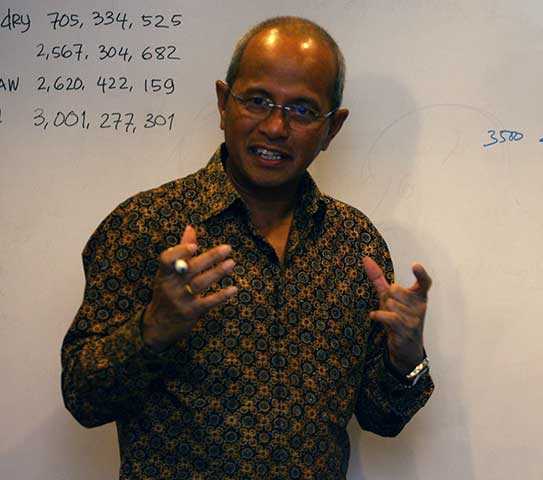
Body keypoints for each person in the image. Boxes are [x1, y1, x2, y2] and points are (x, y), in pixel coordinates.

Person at [62, 16, 433, 479]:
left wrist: (406, 356)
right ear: (223, 104)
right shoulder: (145, 226)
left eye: (302, 110)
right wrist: (152, 329)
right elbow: (83, 398)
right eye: (258, 101)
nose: (276, 127)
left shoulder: (355, 244)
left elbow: (383, 418)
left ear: (332, 129)